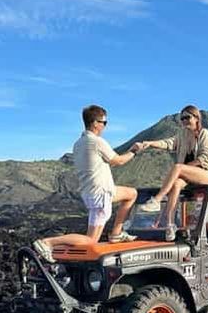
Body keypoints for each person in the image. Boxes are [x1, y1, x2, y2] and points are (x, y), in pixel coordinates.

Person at [32, 105, 141, 262]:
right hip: (101, 193)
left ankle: (116, 234)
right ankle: (48, 242)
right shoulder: (96, 142)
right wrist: (134, 151)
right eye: (104, 122)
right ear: (95, 123)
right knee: (91, 240)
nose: (105, 126)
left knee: (131, 194)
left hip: (93, 192)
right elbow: (117, 161)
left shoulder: (78, 144)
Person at [135, 105, 208, 241]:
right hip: (189, 174)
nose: (184, 120)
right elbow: (168, 143)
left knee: (178, 168)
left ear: (196, 118)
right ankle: (170, 225)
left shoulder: (204, 134)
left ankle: (157, 199)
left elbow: (205, 158)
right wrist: (150, 143)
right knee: (176, 184)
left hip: (206, 173)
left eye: (187, 117)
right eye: (182, 118)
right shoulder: (182, 135)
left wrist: (184, 167)